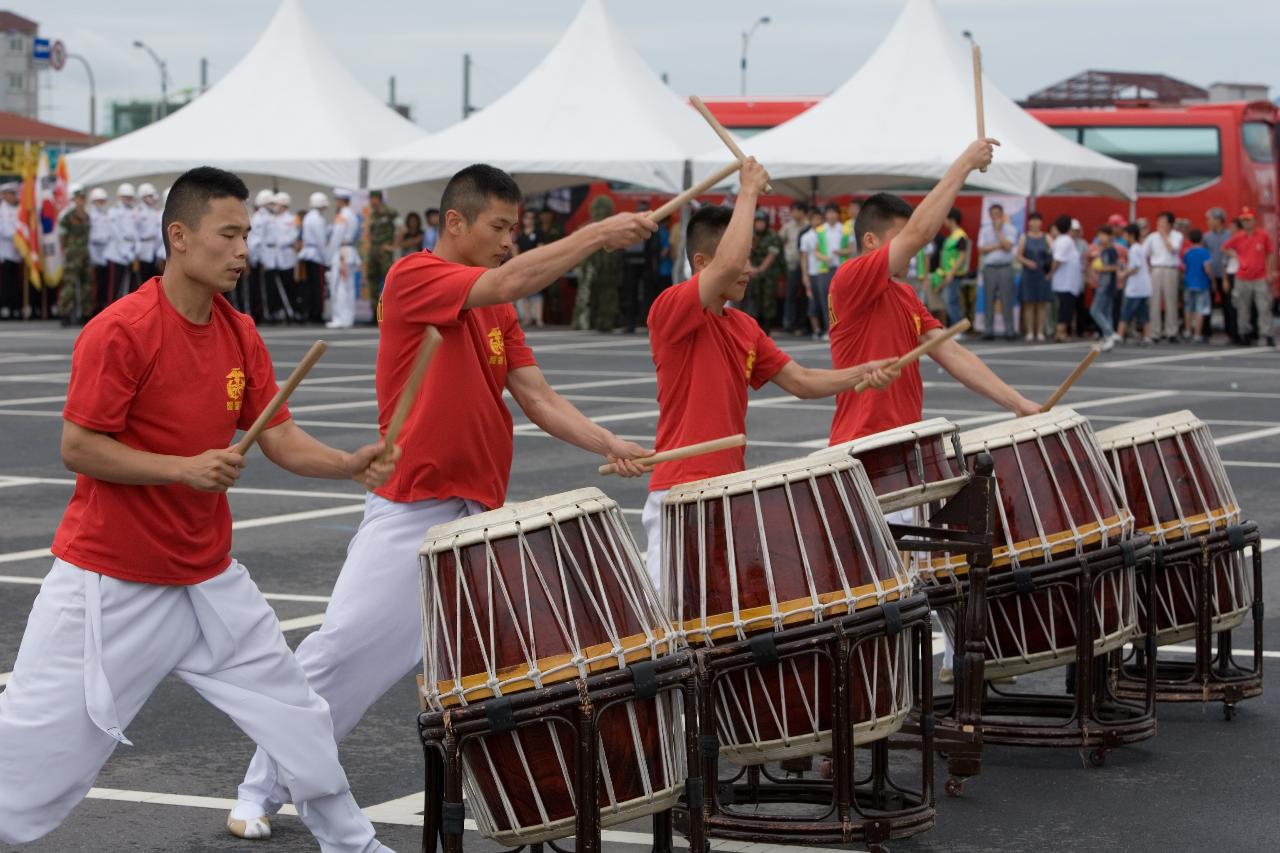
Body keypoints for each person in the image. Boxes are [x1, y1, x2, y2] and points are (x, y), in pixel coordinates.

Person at [228, 164, 658, 838]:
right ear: (454, 222)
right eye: (499, 227)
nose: (508, 242)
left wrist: (607, 439)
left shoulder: (497, 304)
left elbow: (536, 395)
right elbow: (511, 278)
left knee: (507, 668)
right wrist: (599, 232)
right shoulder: (414, 276)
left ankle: (539, 798)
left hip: (479, 514)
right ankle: (262, 784)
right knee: (342, 652)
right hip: (412, 506)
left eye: (515, 230)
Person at [0, 166, 401, 853]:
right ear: (180, 237)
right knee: (30, 754)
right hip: (111, 578)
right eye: (231, 233)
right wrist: (181, 469)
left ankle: (353, 843)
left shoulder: (239, 331)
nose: (244, 248)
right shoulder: (120, 330)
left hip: (207, 578)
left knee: (297, 715)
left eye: (248, 233)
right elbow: (79, 445)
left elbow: (276, 433)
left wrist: (346, 464)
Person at [826, 141, 1040, 680]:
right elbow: (922, 232)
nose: (914, 249)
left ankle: (965, 655)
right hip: (866, 452)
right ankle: (874, 685)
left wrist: (1019, 404)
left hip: (909, 449)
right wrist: (963, 167)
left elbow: (953, 352)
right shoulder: (852, 281)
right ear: (872, 241)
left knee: (939, 558)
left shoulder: (905, 298)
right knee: (888, 580)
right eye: (900, 240)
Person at [641, 158, 899, 590]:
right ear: (701, 263)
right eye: (739, 257)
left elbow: (801, 382)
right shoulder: (671, 310)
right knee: (669, 625)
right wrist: (749, 191)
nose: (746, 268)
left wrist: (861, 372)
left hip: (729, 488)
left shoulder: (744, 326)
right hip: (679, 490)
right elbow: (726, 266)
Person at [1222, 207, 1275, 347]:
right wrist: (1235, 255)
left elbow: (1270, 252)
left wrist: (1269, 270)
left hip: (1260, 276)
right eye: (1244, 220)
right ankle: (1244, 333)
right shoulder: (1238, 236)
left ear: (1254, 220)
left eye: (1249, 220)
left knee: (1264, 307)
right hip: (1242, 276)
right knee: (1242, 307)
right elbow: (1225, 248)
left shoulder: (1262, 235)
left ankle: (1267, 334)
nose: (1246, 223)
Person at [579, 195, 623, 333]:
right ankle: (601, 322)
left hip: (601, 267)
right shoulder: (614, 227)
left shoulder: (587, 227)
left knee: (593, 295)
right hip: (601, 266)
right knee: (603, 296)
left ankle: (588, 322)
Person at [1142, 211, 1183, 343]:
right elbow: (1143, 253)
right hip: (1156, 269)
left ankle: (1171, 331)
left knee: (1171, 301)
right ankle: (1155, 332)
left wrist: (1164, 235)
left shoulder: (1177, 236)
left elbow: (1173, 249)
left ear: (1170, 224)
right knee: (1154, 301)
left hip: (1170, 269)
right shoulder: (1152, 237)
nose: (1160, 224)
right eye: (1159, 221)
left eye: (1163, 222)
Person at [978, 203, 1018, 340]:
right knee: (989, 299)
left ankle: (1009, 330)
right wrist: (998, 245)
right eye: (993, 214)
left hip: (1005, 267)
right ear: (989, 215)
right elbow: (982, 249)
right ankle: (988, 330)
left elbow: (1007, 246)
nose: (995, 217)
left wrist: (998, 231)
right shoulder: (984, 230)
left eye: (998, 214)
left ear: (1002, 215)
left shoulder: (1010, 229)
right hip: (990, 268)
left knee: (1006, 299)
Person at [807, 204, 846, 339]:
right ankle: (828, 329)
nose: (831, 216)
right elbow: (815, 251)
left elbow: (851, 249)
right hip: (824, 269)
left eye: (834, 213)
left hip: (841, 268)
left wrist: (841, 252)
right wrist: (825, 257)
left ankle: (841, 328)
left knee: (841, 300)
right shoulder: (820, 230)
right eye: (829, 213)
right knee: (826, 300)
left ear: (838, 214)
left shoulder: (844, 229)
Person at [57, 185, 92, 326]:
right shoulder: (68, 216)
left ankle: (85, 313)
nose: (81, 201)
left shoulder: (87, 216)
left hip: (84, 253)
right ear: (74, 199)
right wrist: (66, 251)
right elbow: (62, 236)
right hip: (72, 254)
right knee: (69, 285)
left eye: (83, 198)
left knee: (86, 284)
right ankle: (65, 313)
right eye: (79, 198)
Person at [1014, 212, 1052, 342]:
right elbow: (1018, 255)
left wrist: (1048, 267)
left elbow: (1053, 252)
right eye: (1033, 221)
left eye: (1038, 220)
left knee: (1041, 304)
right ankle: (1029, 331)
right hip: (1028, 274)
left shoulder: (1046, 237)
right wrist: (1027, 262)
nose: (1035, 223)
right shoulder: (1024, 237)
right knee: (1028, 303)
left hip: (1042, 274)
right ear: (1029, 223)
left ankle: (1040, 331)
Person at [932, 208, 972, 328]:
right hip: (948, 274)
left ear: (952, 220)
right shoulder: (952, 236)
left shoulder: (960, 236)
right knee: (949, 301)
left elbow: (962, 256)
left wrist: (951, 273)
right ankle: (956, 327)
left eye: (946, 219)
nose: (944, 222)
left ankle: (958, 328)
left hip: (954, 275)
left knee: (952, 301)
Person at [325, 189, 359, 329]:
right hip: (350, 251)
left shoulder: (342, 216)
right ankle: (348, 317)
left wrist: (328, 256)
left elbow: (336, 238)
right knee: (348, 287)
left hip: (341, 253)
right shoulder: (353, 215)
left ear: (340, 200)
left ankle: (339, 318)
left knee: (338, 286)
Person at [1116, 223, 1153, 345]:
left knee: (1126, 311)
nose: (1124, 236)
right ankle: (1147, 336)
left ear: (1131, 235)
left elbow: (1135, 267)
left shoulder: (1134, 249)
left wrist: (1123, 274)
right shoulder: (1139, 247)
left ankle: (1119, 335)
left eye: (1126, 234)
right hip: (1143, 287)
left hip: (1136, 288)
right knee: (1143, 312)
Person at [745, 210, 782, 332]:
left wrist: (760, 269)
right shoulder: (751, 236)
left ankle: (767, 330)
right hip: (753, 274)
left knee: (768, 302)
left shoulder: (773, 236)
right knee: (753, 301)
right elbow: (747, 253)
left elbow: (771, 255)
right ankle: (755, 330)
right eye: (757, 222)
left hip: (768, 275)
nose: (759, 225)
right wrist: (750, 268)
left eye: (762, 222)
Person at [363, 190, 398, 319]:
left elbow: (401, 229)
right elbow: (370, 232)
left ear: (378, 199)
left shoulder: (390, 213)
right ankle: (374, 314)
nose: (371, 201)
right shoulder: (372, 215)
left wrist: (393, 246)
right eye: (370, 198)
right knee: (372, 281)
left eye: (373, 198)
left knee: (388, 283)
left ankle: (386, 315)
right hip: (373, 252)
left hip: (385, 254)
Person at [1203, 207, 1235, 342]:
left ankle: (1231, 332)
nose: (1208, 222)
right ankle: (1206, 332)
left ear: (1218, 220)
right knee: (1207, 303)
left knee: (1228, 304)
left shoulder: (1230, 235)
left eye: (1210, 219)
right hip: (1211, 274)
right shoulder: (1206, 236)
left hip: (1226, 274)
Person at [264, 191, 298, 324]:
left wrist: (281, 242)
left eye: (276, 204)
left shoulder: (291, 219)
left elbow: (292, 236)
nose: (274, 207)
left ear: (283, 205)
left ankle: (292, 312)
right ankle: (279, 312)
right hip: (275, 257)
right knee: (275, 287)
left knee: (289, 285)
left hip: (287, 257)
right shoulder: (272, 219)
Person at [298, 192, 330, 324]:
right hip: (316, 254)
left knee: (309, 286)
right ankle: (316, 313)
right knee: (318, 286)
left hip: (307, 253)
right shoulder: (318, 219)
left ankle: (309, 312)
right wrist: (326, 258)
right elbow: (321, 241)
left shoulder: (308, 217)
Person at [104, 183, 140, 303]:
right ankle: (109, 310)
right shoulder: (114, 211)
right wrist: (124, 251)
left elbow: (136, 230)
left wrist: (136, 248)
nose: (129, 199)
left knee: (130, 284)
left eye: (130, 197)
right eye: (126, 197)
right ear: (120, 197)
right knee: (114, 286)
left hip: (130, 251)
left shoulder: (134, 211)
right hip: (117, 253)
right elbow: (115, 234)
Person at [1049, 214, 1082, 342]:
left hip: (1066, 281)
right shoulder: (1065, 241)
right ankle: (1060, 332)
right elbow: (1057, 259)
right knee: (1065, 308)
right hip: (1065, 282)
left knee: (1065, 307)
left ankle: (1061, 332)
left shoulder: (1061, 240)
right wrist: (1050, 273)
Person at [1090, 225, 1121, 350]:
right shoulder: (1105, 250)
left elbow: (1115, 267)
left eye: (1103, 235)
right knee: (1107, 313)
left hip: (1106, 285)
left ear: (1110, 236)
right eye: (1099, 235)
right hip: (1106, 284)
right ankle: (1107, 338)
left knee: (1095, 311)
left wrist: (1100, 268)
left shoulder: (1110, 250)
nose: (1100, 238)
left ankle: (1109, 333)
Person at [779, 200, 808, 334]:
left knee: (804, 295)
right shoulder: (788, 227)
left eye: (795, 211)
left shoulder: (809, 225)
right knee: (790, 294)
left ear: (802, 211)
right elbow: (779, 241)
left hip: (807, 265)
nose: (792, 214)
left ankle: (802, 324)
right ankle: (788, 323)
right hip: (791, 265)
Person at [513, 209, 545, 328]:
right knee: (524, 291)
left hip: (535, 264)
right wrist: (517, 262)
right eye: (527, 218)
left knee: (536, 292)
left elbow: (541, 248)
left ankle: (538, 318)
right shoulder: (521, 234)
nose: (529, 220)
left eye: (531, 218)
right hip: (522, 265)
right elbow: (515, 248)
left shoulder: (538, 232)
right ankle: (527, 317)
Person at [1180, 229, 1213, 343]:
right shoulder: (1204, 252)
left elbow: (1184, 267)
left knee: (1188, 308)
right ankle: (1197, 334)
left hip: (1188, 283)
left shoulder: (1187, 252)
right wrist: (1212, 279)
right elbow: (1207, 268)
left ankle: (1187, 331)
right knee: (1200, 309)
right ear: (1201, 239)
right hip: (1201, 283)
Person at [798, 207, 825, 338]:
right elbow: (803, 257)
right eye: (814, 218)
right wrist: (804, 274)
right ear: (810, 220)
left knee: (826, 302)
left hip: (825, 271)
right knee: (813, 302)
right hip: (813, 272)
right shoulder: (806, 236)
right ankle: (816, 329)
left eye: (819, 218)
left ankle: (827, 328)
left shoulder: (825, 233)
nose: (817, 221)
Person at [133, 183, 163, 284]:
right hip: (143, 247)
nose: (152, 198)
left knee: (153, 275)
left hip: (154, 247)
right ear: (143, 196)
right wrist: (137, 249)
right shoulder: (137, 211)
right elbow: (135, 231)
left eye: (152, 196)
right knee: (143, 277)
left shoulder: (154, 211)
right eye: (149, 196)